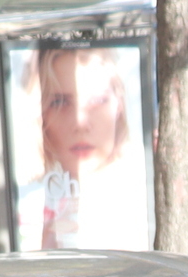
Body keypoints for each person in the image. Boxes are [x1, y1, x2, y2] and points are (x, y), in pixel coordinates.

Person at [28, 45, 148, 249]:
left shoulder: (133, 205)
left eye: (97, 100)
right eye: (60, 102)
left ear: (119, 105)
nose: (80, 122)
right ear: (41, 113)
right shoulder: (35, 202)